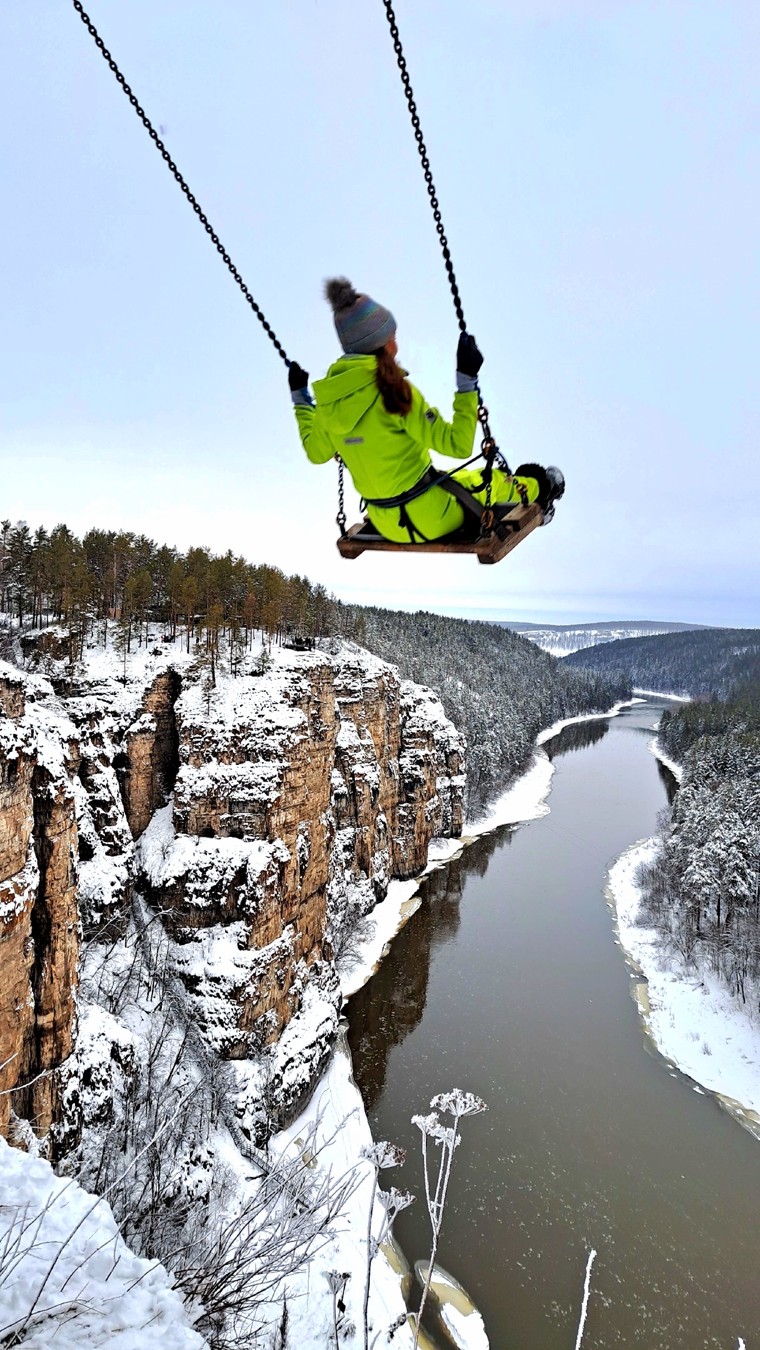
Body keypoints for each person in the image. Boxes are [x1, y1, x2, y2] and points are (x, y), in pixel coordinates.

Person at [288, 278, 564, 544]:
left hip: (385, 521)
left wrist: (301, 398)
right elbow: (458, 445)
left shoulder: (327, 405)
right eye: (393, 335)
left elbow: (316, 452)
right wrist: (466, 381)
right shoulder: (396, 392)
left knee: (457, 479)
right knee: (487, 481)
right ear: (384, 344)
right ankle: (543, 487)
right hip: (431, 518)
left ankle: (536, 488)